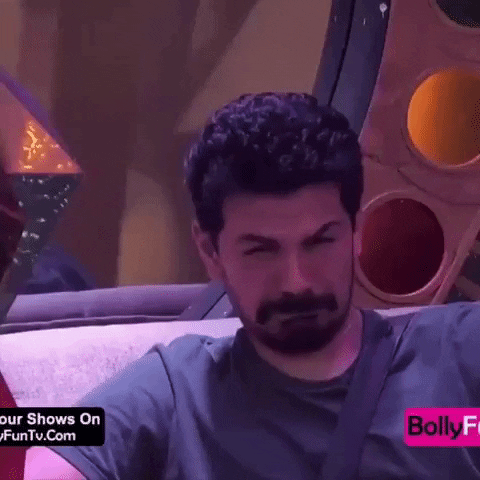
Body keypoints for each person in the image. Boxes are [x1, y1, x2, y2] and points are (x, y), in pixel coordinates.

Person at [24, 93, 480, 479]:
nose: (297, 282)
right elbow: (42, 440)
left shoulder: (457, 355)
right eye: (261, 251)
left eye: (320, 242)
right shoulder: (177, 391)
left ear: (357, 233)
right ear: (210, 252)